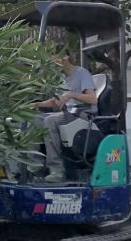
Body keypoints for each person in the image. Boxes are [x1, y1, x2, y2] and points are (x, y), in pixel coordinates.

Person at [34, 52, 97, 183]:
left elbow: (93, 99)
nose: (53, 63)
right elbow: (57, 103)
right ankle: (35, 166)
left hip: (83, 114)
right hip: (66, 114)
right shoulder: (61, 79)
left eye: (55, 58)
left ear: (66, 58)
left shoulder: (82, 73)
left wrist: (71, 95)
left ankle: (57, 170)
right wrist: (37, 104)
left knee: (50, 120)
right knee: (34, 119)